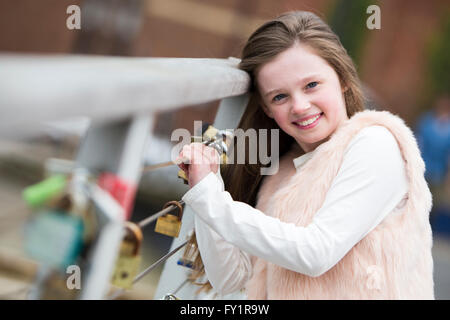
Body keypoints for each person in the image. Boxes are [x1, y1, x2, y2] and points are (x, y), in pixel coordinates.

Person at [176, 11, 434, 299]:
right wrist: (207, 184)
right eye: (280, 97)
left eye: (312, 85)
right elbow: (231, 279)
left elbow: (316, 253)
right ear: (267, 109)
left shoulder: (375, 144)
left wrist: (211, 202)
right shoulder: (283, 172)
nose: (299, 106)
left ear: (343, 79)